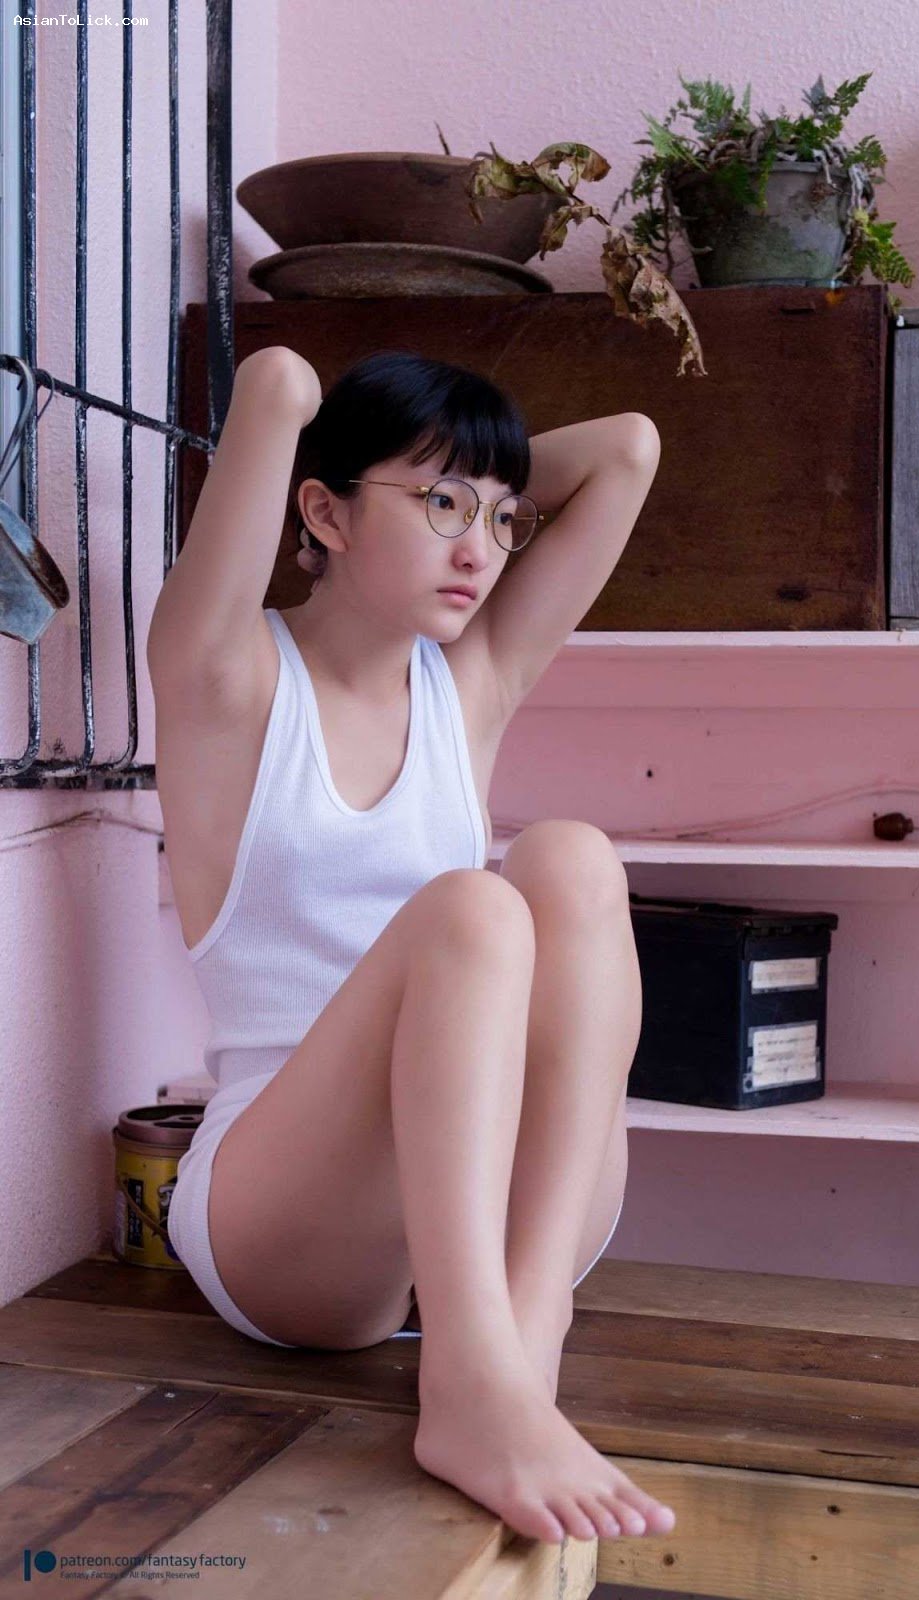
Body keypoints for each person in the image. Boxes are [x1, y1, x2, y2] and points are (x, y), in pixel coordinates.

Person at [147, 343, 672, 1546]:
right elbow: (277, 383)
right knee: (471, 910)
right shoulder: (226, 677)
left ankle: (523, 1338)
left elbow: (628, 449)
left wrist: (460, 471)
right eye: (441, 506)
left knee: (571, 856)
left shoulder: (468, 686)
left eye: (499, 517)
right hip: (290, 1219)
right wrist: (346, 430)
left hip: (498, 1214)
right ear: (322, 513)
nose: (480, 546)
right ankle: (472, 1380)